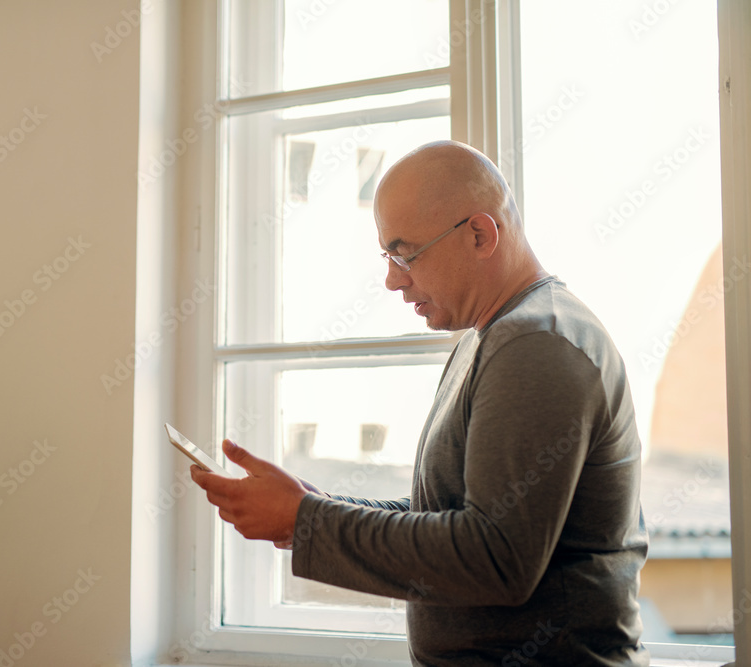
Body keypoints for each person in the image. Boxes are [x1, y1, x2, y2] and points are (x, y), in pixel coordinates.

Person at [191, 140, 649, 666]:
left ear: (480, 233)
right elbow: (451, 516)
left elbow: (494, 558)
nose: (392, 279)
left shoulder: (536, 344)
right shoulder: (490, 339)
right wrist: (314, 509)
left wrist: (306, 521)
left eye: (405, 254)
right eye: (388, 257)